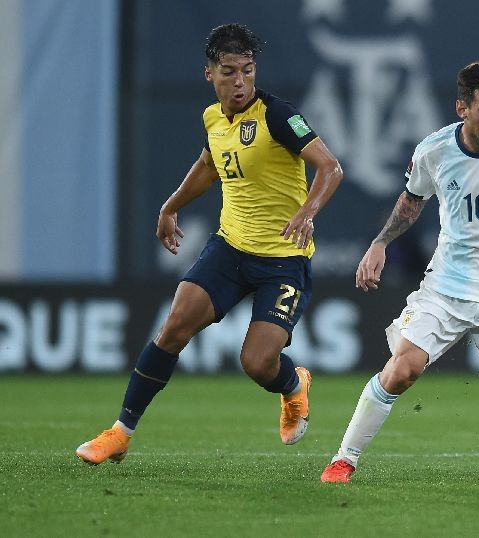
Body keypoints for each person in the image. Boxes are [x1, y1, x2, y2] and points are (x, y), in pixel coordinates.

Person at [76, 23, 343, 464]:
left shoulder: (278, 115)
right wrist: (169, 206)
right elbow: (209, 165)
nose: (240, 83)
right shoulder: (213, 119)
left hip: (283, 259)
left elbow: (330, 168)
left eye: (248, 71)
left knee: (257, 363)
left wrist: (307, 212)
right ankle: (120, 432)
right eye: (229, 72)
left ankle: (293, 384)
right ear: (209, 74)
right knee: (172, 328)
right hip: (230, 249)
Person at [320, 62, 479, 483]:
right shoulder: (434, 151)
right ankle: (344, 459)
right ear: (462, 107)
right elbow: (411, 202)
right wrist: (380, 243)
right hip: (447, 284)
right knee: (400, 371)